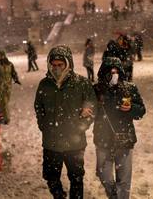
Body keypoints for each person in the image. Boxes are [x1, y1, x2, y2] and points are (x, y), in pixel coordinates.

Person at [34, 45, 96, 199]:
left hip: (74, 143)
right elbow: (38, 107)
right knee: (51, 177)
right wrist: (44, 126)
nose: (56, 68)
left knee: (76, 178)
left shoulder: (81, 83)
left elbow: (92, 106)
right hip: (51, 142)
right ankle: (59, 196)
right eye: (53, 65)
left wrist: (82, 125)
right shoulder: (45, 84)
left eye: (60, 65)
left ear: (68, 64)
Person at [93, 57, 146, 199]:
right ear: (103, 72)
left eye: (116, 71)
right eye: (110, 71)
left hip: (124, 140)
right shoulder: (96, 90)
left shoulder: (129, 88)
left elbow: (141, 111)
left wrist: (131, 108)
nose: (114, 74)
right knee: (104, 176)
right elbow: (89, 111)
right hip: (103, 140)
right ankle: (114, 196)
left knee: (124, 181)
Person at [0, 50, 21, 125]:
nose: (1, 56)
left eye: (2, 55)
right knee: (4, 101)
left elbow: (13, 73)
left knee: (5, 102)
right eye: (0, 55)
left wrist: (16, 79)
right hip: (0, 86)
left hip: (8, 85)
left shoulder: (9, 64)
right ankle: (7, 118)